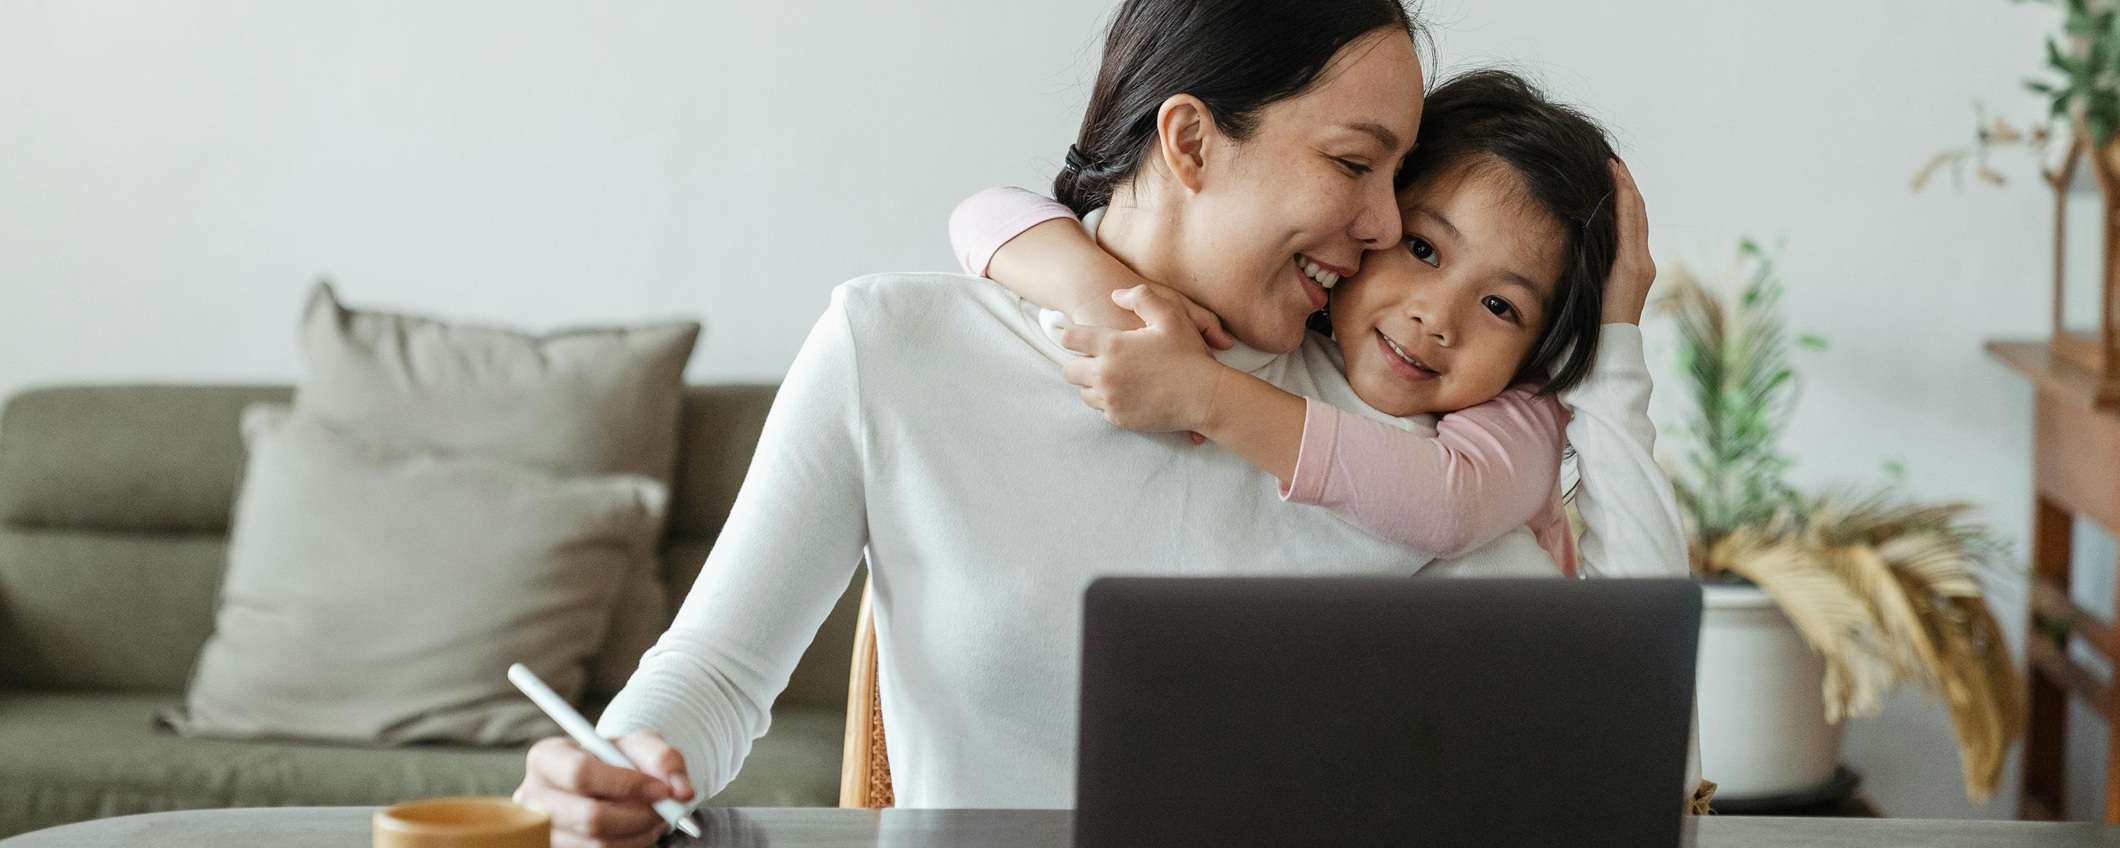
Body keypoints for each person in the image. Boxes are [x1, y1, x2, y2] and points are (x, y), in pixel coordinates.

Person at [512, 4, 1685, 846]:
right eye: (1353, 165)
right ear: (1187, 141)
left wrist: (1614, 349)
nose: (1382, 227)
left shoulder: (1393, 433)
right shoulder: (895, 349)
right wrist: (611, 772)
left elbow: (1635, 757)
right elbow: (714, 676)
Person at [949, 69, 1647, 574]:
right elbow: (984, 212)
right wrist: (1105, 295)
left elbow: (1452, 506)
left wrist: (1205, 395)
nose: (1436, 318)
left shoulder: (1521, 409)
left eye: (1502, 307)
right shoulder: (1297, 323)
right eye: (1423, 248)